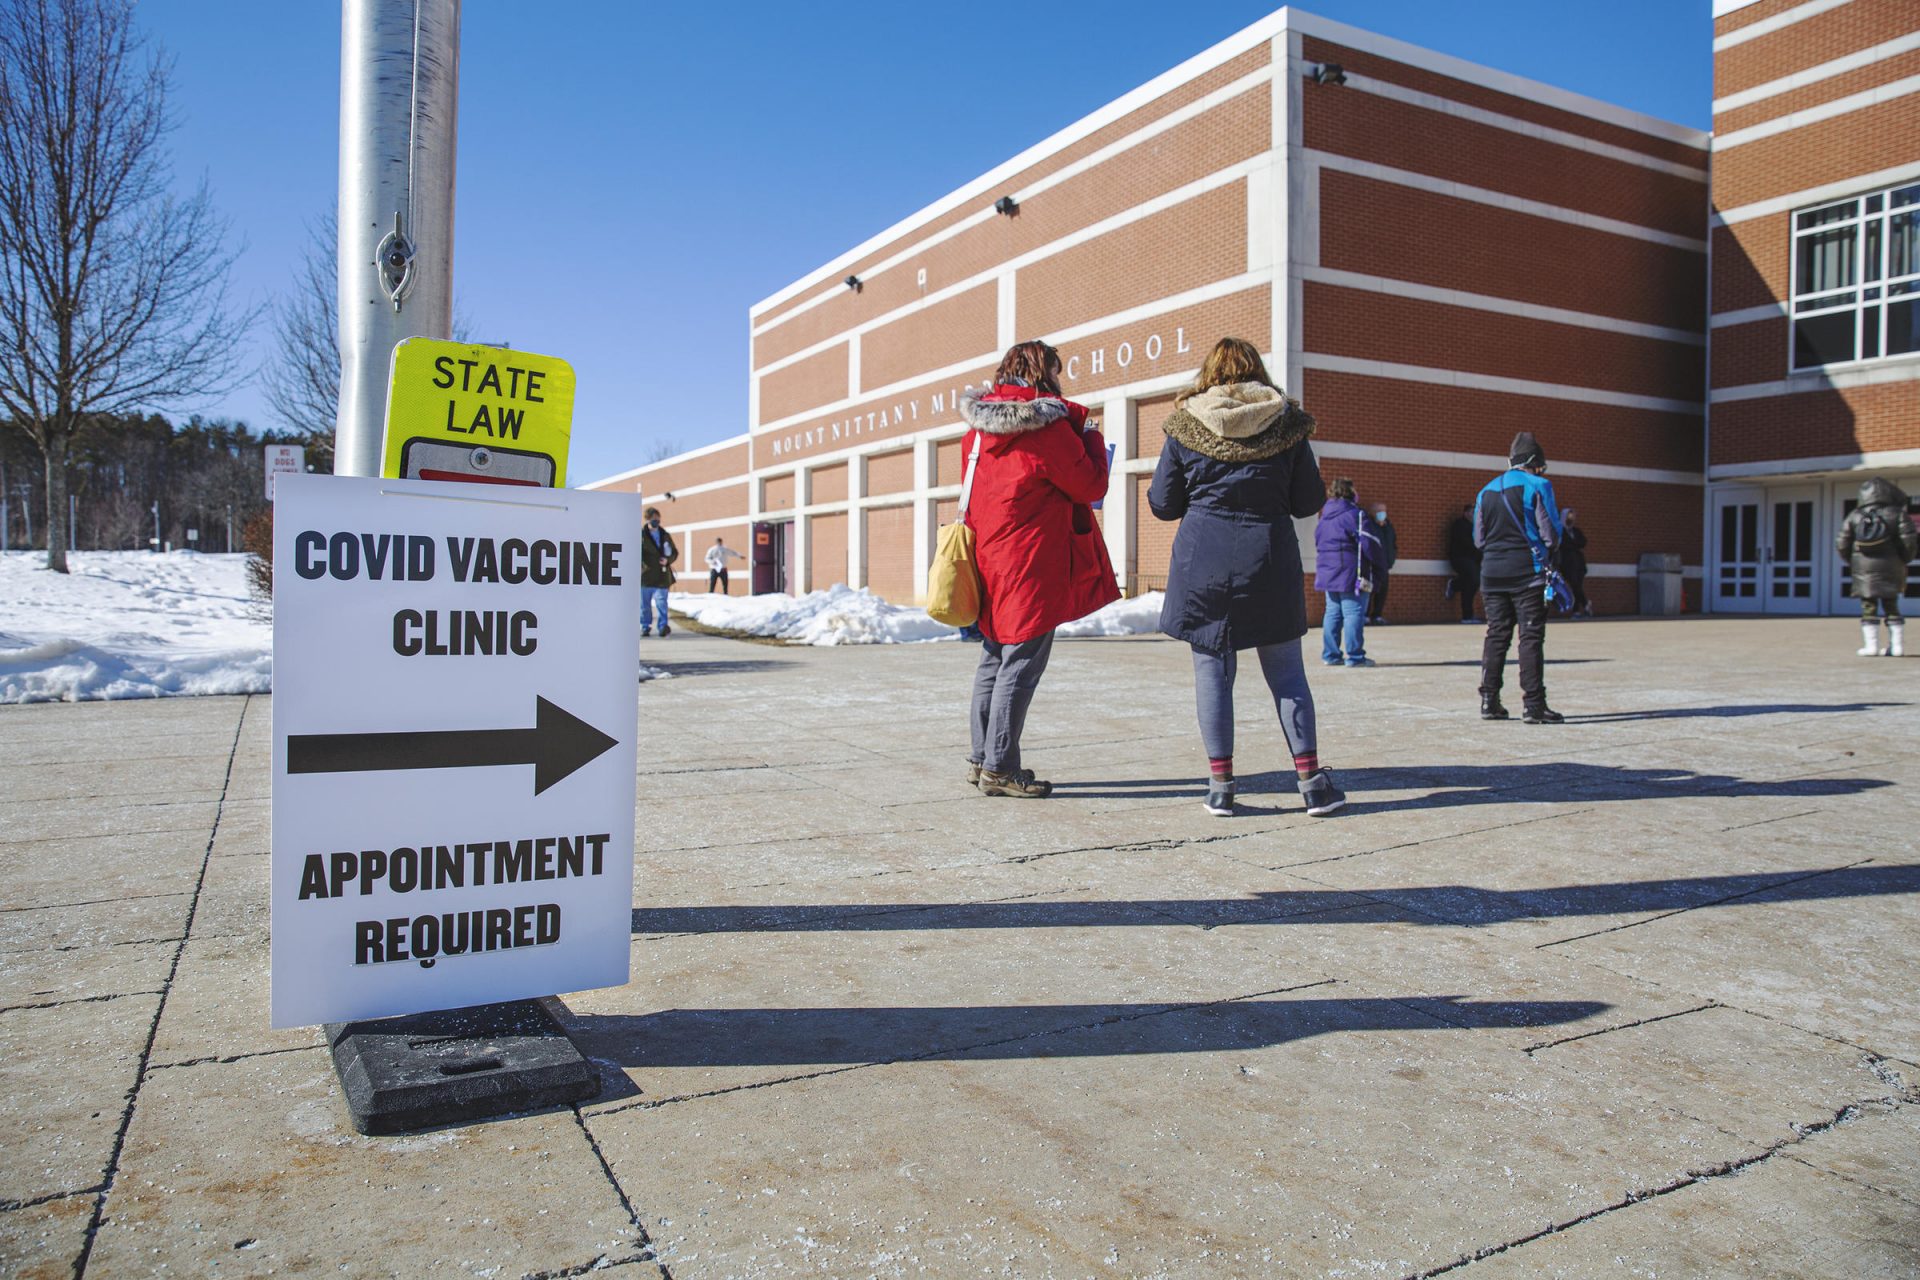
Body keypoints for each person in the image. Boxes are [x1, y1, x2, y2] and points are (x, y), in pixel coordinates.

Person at [1149, 337, 1346, 818]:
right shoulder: (1288, 426)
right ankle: (1312, 784)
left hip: (1203, 563)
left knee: (1212, 674)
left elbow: (1162, 503)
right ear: (1257, 372)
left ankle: (1221, 786)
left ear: (1209, 373)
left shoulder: (1184, 426)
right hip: (1269, 559)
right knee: (1287, 675)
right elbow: (1307, 501)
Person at [958, 340, 1119, 797]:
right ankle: (1001, 769)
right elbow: (1090, 482)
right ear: (1041, 374)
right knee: (1021, 664)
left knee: (993, 658)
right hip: (1031, 561)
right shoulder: (1046, 428)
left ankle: (981, 759)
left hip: (989, 558)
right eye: (1055, 369)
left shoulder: (976, 431)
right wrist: (1088, 435)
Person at [1475, 433, 1563, 723]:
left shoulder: (1485, 490)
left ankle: (1489, 700)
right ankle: (1534, 705)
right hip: (1528, 573)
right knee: (1530, 637)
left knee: (1496, 635)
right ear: (1535, 463)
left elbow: (1478, 539)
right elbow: (1551, 534)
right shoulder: (1539, 486)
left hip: (1491, 573)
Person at [1837, 477, 1917, 657]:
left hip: (1863, 565)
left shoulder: (1855, 515)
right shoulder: (1897, 514)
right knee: (1891, 604)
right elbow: (1910, 542)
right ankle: (1897, 647)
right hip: (1891, 564)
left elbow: (1842, 543)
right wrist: (1903, 559)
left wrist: (1853, 561)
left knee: (1868, 605)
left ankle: (1871, 647)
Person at [1314, 478, 1384, 668]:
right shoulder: (1355, 515)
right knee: (1353, 613)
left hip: (1327, 572)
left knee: (1332, 613)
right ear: (1349, 492)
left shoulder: (1324, 517)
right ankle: (1355, 657)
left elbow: (1318, 541)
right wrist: (1380, 564)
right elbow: (1370, 543)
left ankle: (1331, 655)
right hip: (1351, 572)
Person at [639, 507, 678, 637]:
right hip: (646, 576)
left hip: (662, 576)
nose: (657, 521)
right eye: (654, 518)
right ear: (648, 519)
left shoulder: (665, 535)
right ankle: (645, 626)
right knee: (644, 605)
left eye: (658, 518)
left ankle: (663, 626)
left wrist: (667, 560)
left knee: (662, 603)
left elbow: (674, 552)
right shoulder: (641, 535)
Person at [1446, 502, 1481, 623]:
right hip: (1460, 558)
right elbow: (1466, 543)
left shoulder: (1476, 526)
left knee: (1472, 583)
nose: (1474, 515)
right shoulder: (1459, 525)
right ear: (1465, 513)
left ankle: (1455, 585)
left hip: (1473, 559)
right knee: (1473, 580)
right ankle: (1467, 615)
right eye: (1472, 512)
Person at [1365, 505, 1398, 624]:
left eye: (1384, 511)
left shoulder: (1388, 527)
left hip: (1384, 565)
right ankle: (1366, 615)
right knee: (1368, 590)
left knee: (1382, 591)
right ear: (1372, 512)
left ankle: (1377, 615)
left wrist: (1392, 559)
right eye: (1379, 511)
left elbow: (1393, 544)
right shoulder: (1369, 525)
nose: (1382, 514)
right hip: (1371, 566)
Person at [1560, 508, 1592, 617]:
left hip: (1579, 563)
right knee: (1575, 585)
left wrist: (1573, 544)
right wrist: (1574, 545)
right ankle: (1586, 603)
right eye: (1569, 516)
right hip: (1567, 563)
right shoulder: (1560, 531)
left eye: (1573, 516)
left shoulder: (1576, 531)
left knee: (1577, 586)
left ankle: (1576, 611)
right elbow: (1563, 545)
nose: (1571, 519)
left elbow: (1583, 542)